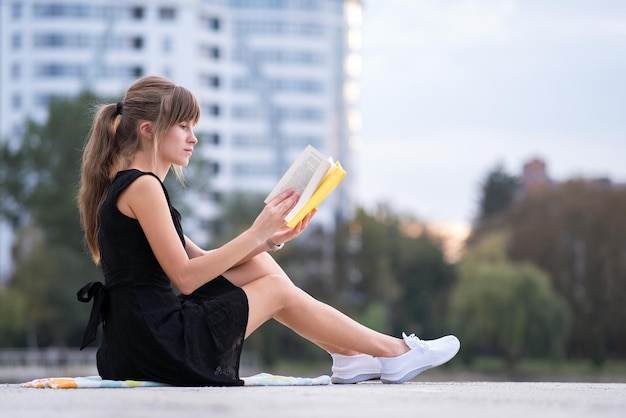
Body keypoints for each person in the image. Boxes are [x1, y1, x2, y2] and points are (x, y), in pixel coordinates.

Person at [77, 75, 460, 387]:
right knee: (275, 288)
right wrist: (256, 230)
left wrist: (270, 238)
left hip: (133, 344)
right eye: (183, 126)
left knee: (261, 264)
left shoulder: (134, 187)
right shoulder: (143, 187)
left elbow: (201, 261)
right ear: (149, 131)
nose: (193, 137)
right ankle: (393, 352)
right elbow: (186, 278)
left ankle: (348, 356)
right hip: (157, 343)